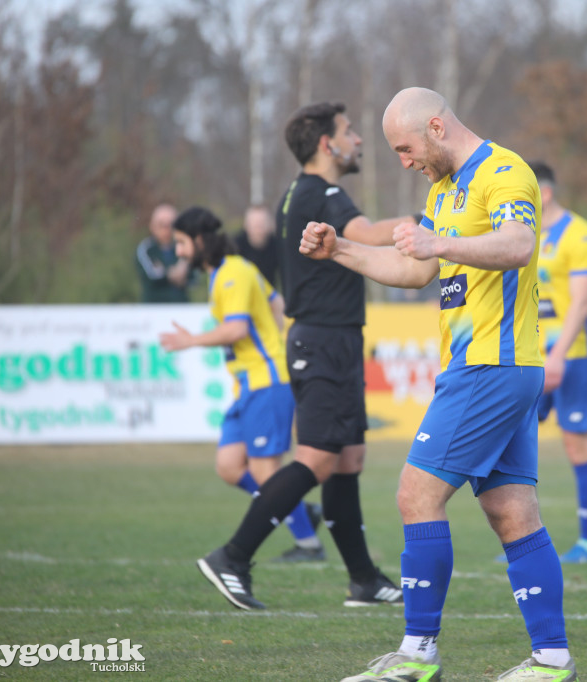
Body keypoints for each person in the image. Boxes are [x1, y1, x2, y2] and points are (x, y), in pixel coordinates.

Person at [300, 87, 577, 682]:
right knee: (511, 511)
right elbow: (415, 268)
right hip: (493, 367)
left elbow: (520, 244)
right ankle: (553, 660)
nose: (404, 161)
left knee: (416, 495)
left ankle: (417, 654)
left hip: (491, 364)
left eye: (405, 148)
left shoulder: (504, 171)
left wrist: (441, 242)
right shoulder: (443, 190)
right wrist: (341, 249)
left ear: (435, 127)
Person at [196, 102, 417, 610]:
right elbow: (367, 235)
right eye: (349, 131)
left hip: (332, 339)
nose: (358, 140)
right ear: (326, 143)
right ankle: (232, 556)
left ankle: (363, 580)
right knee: (317, 459)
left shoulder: (300, 193)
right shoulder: (323, 193)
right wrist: (433, 222)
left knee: (347, 459)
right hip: (323, 342)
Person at [159, 207, 325, 563]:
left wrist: (191, 341)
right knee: (229, 466)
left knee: (266, 472)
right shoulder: (228, 272)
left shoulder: (233, 273)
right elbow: (277, 304)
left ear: (199, 241)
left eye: (182, 243)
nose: (179, 251)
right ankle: (296, 510)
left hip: (266, 382)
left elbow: (236, 329)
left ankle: (309, 545)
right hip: (248, 385)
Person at [530, 160, 587, 564]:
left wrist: (557, 355)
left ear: (543, 193)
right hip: (528, 356)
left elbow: (580, 303)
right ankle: (523, 539)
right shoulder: (520, 234)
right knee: (516, 443)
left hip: (573, 356)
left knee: (578, 445)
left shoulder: (581, 235)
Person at [136, 203, 190, 302]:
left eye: (171, 225)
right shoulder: (146, 249)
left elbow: (193, 277)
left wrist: (165, 273)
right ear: (152, 226)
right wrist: (174, 274)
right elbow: (152, 276)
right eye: (161, 225)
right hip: (154, 308)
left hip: (182, 307)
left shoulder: (183, 247)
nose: (166, 229)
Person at [234, 205, 282, 289]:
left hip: (269, 294)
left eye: (262, 224)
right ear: (246, 225)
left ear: (270, 225)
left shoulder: (278, 245)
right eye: (255, 225)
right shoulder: (235, 246)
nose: (259, 229)